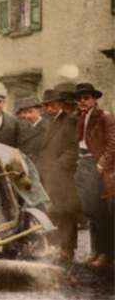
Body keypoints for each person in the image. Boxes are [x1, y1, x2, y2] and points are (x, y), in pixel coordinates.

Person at [74, 83, 114, 268]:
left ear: (94, 99)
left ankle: (107, 253)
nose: (83, 102)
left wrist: (101, 164)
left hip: (97, 166)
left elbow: (113, 143)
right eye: (80, 99)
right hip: (83, 164)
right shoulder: (80, 117)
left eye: (86, 98)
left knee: (101, 213)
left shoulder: (104, 116)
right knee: (90, 211)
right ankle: (96, 251)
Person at [38, 89, 81, 264]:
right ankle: (58, 248)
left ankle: (68, 249)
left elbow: (73, 148)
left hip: (63, 176)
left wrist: (60, 166)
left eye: (53, 105)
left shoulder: (70, 121)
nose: (50, 108)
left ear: (60, 104)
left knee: (67, 212)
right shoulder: (49, 122)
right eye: (47, 106)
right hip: (50, 176)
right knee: (55, 212)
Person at [14, 96, 49, 162]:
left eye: (30, 112)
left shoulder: (48, 127)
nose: (27, 116)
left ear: (40, 111)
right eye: (25, 112)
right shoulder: (22, 127)